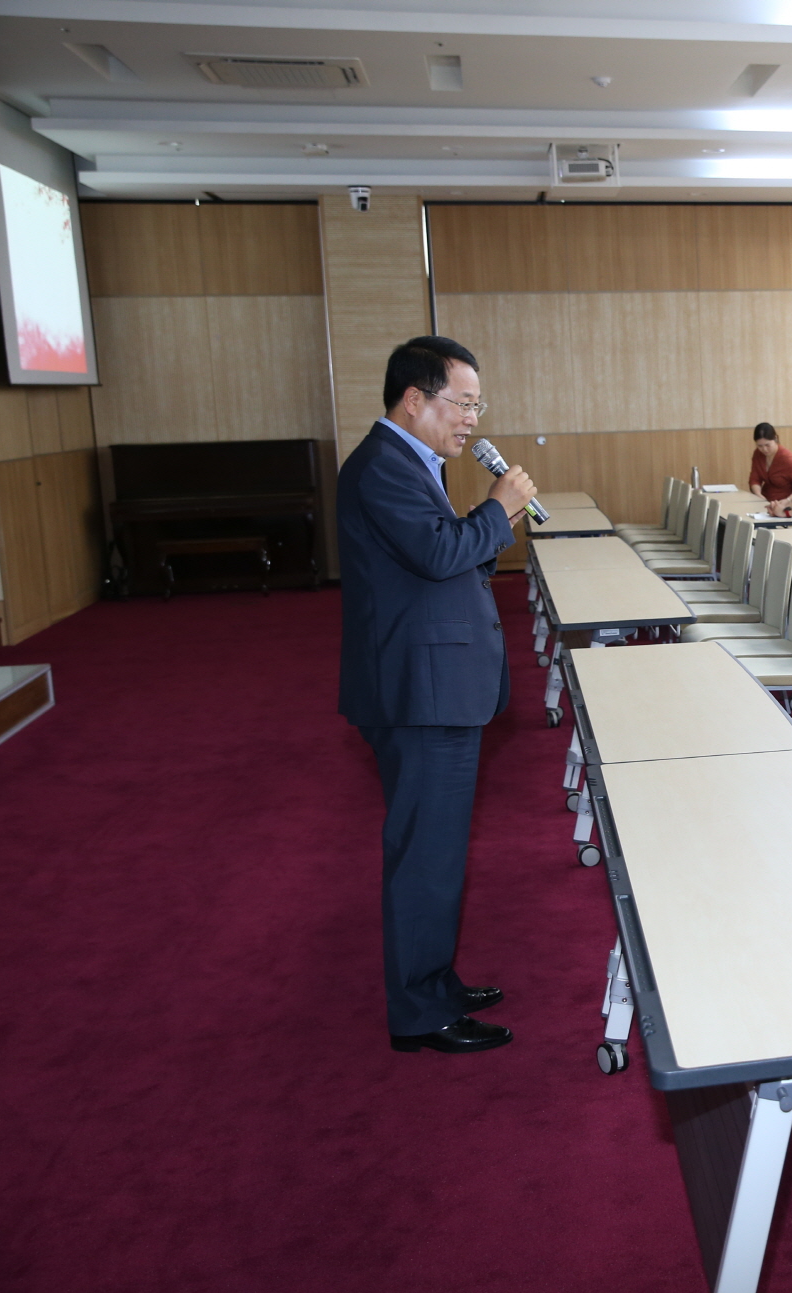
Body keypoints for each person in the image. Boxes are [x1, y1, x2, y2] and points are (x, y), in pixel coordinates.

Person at [338, 335, 536, 1055]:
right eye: (463, 403)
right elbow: (438, 552)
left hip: (436, 686)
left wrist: (489, 523)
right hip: (419, 694)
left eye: (477, 406)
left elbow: (445, 556)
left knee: (439, 849)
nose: (472, 421)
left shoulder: (407, 462)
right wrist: (498, 506)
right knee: (426, 851)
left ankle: (434, 981)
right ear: (415, 399)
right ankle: (419, 1011)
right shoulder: (383, 467)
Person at [748, 422, 792, 503]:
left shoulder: (787, 458)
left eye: (767, 445)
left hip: (785, 503)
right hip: (765, 501)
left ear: (775, 439)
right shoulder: (758, 454)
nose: (764, 449)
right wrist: (758, 494)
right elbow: (755, 479)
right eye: (760, 446)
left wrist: (788, 500)